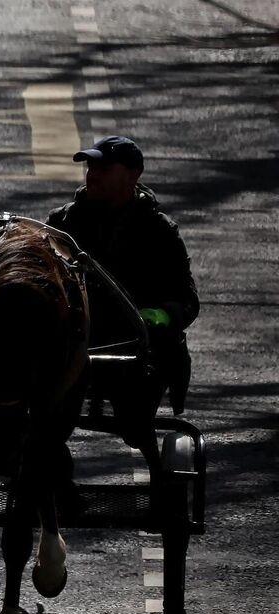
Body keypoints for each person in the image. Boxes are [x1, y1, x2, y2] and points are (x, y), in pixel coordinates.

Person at [47, 135, 199, 455]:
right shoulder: (62, 222)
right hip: (71, 342)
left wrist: (160, 316)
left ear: (133, 175)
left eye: (104, 167)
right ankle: (54, 484)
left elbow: (186, 298)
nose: (93, 173)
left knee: (135, 424)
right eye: (91, 166)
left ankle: (159, 477)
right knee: (43, 423)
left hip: (135, 347)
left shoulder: (159, 231)